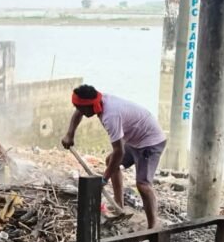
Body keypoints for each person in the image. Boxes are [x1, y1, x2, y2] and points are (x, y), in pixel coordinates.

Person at [61, 84, 167, 229]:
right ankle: (118, 205)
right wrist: (70, 134)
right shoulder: (97, 101)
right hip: (136, 138)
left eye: (81, 108)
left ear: (90, 106)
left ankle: (153, 227)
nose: (79, 111)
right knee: (110, 161)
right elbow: (79, 112)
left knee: (142, 184)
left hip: (150, 141)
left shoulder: (110, 116)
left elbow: (119, 152)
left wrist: (104, 179)